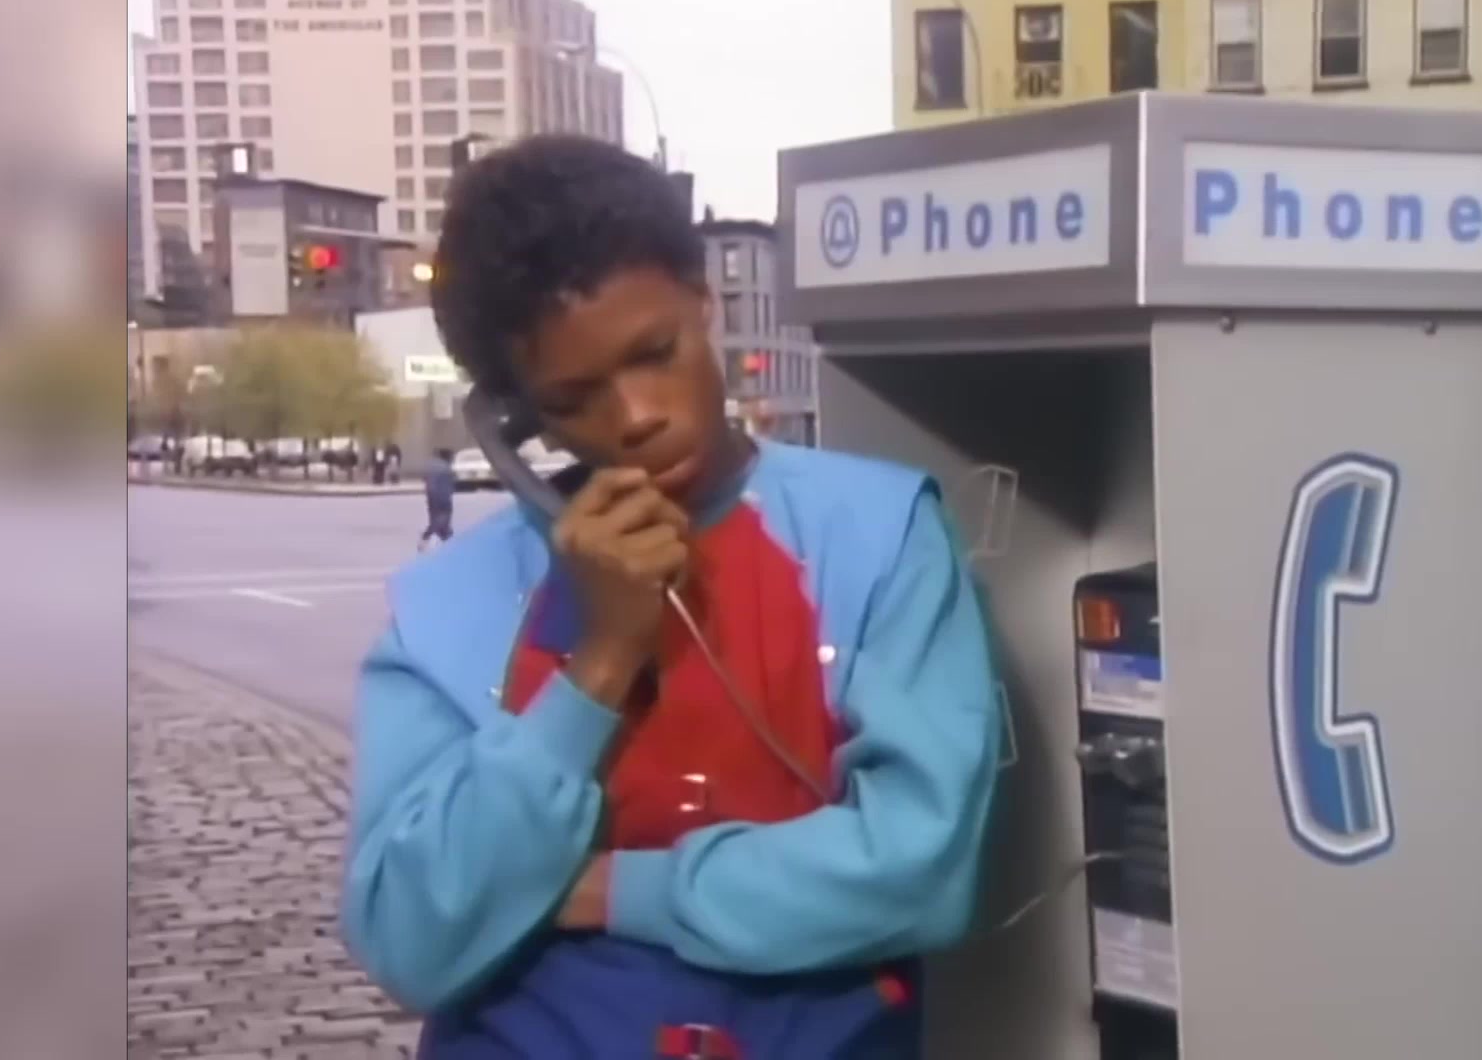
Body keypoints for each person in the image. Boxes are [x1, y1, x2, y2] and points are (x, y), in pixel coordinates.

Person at [340, 135, 1004, 1059]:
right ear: (514, 414)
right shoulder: (450, 606)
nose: (638, 416)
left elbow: (919, 868)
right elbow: (409, 941)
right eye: (575, 398)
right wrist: (600, 665)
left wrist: (612, 891)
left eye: (656, 353)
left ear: (704, 300)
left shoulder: (878, 534)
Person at [418, 448, 456, 552]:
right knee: (441, 523)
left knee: (436, 521)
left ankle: (429, 539)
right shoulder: (446, 468)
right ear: (448, 457)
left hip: (432, 498)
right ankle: (448, 543)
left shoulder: (431, 467)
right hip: (443, 499)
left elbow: (426, 479)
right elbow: (449, 485)